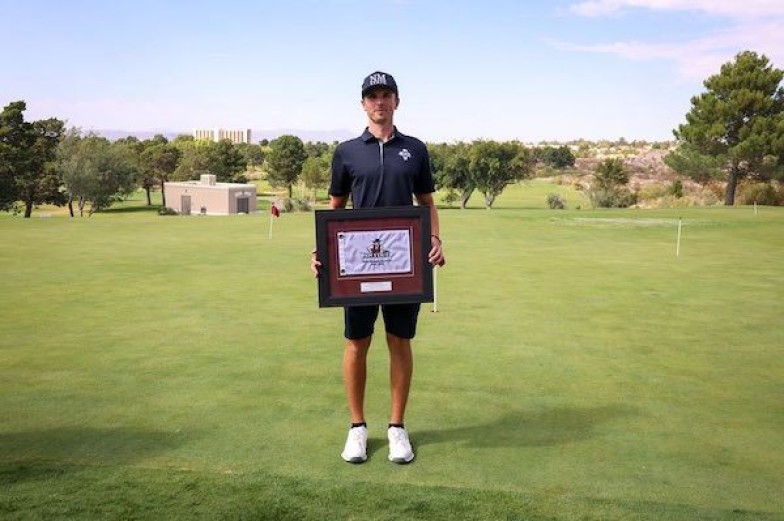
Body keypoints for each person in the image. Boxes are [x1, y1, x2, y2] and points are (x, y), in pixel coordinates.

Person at [311, 71, 445, 464]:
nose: (379, 102)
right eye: (372, 96)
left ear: (397, 102)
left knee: (399, 341)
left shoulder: (415, 149)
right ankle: (357, 429)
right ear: (363, 104)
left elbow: (427, 203)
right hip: (356, 268)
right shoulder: (348, 151)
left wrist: (434, 241)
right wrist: (319, 252)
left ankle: (397, 428)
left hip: (405, 266)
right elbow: (334, 211)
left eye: (386, 95)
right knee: (357, 342)